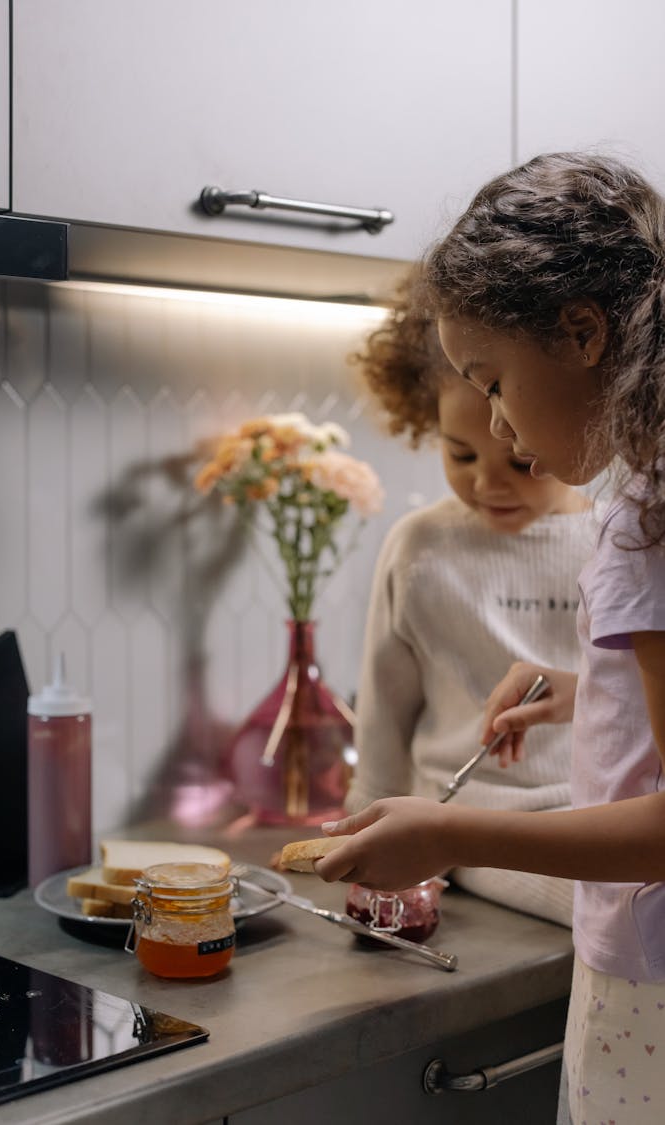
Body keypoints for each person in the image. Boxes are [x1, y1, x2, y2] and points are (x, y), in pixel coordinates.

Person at [317, 152, 665, 1124]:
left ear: (583, 333)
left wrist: (448, 828)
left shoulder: (643, 523)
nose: (502, 423)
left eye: (495, 382)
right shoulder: (649, 498)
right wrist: (588, 692)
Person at [347, 285, 595, 925]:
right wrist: (359, 835)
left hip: (600, 817)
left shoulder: (619, 539)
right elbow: (383, 716)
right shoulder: (422, 548)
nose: (487, 483)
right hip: (466, 827)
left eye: (517, 460)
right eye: (460, 455)